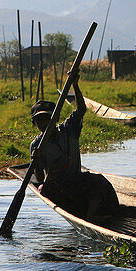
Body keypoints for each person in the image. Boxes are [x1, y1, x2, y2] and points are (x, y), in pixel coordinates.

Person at [29, 73, 118, 221]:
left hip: (76, 179)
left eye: (47, 118)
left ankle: (91, 215)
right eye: (39, 120)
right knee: (44, 189)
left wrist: (75, 85)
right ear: (35, 123)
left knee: (100, 181)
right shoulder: (37, 145)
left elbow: (81, 109)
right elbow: (39, 178)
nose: (44, 123)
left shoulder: (68, 129)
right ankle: (83, 213)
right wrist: (36, 161)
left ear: (55, 118)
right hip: (59, 186)